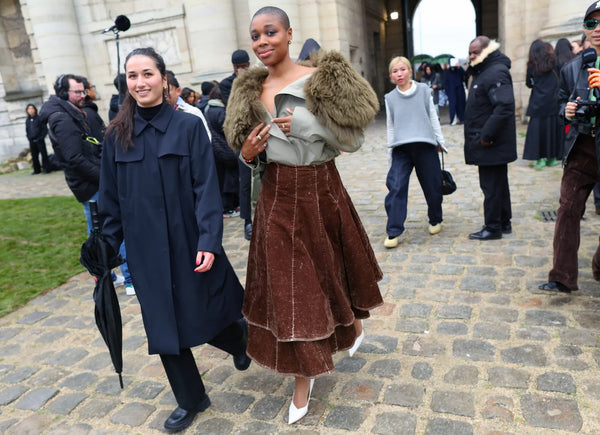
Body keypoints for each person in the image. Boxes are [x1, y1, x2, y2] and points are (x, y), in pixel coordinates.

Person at [223, 6, 384, 425]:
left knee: (329, 273)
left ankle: (347, 326)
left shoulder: (322, 80)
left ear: (289, 33)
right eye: (255, 35)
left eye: (270, 32)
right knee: (291, 288)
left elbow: (354, 140)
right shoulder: (245, 92)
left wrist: (307, 124)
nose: (262, 42)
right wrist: (247, 154)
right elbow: (244, 154)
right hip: (275, 196)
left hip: (320, 190)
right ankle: (303, 374)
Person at [98, 47, 250, 432]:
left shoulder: (188, 126)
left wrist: (209, 240)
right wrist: (103, 252)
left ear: (164, 78)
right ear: (126, 84)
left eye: (147, 74)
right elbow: (111, 200)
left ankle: (240, 339)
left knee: (205, 311)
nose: (140, 82)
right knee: (163, 326)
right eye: (132, 76)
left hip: (189, 241)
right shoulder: (116, 137)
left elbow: (206, 188)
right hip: (146, 251)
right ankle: (191, 398)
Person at [39, 74, 133, 293]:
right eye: (77, 92)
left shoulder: (70, 112)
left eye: (83, 91)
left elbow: (85, 149)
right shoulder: (61, 118)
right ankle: (129, 280)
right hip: (90, 186)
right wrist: (105, 178)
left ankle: (105, 277)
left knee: (99, 233)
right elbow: (74, 159)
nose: (83, 95)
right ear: (64, 93)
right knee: (111, 230)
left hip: (90, 183)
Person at [539, 2, 600, 294]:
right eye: (591, 23)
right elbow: (561, 100)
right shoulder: (575, 66)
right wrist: (568, 109)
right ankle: (562, 276)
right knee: (567, 209)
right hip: (582, 145)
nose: (597, 29)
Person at [383, 56, 446, 248]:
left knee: (433, 186)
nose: (399, 74)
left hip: (425, 144)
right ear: (391, 75)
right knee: (396, 187)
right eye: (395, 71)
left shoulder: (424, 90)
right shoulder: (390, 98)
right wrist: (389, 153)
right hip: (401, 148)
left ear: (410, 71)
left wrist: (440, 141)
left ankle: (435, 219)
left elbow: (432, 115)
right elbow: (390, 126)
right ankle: (393, 231)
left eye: (402, 69)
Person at [464, 36, 517, 241]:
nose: (471, 56)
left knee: (492, 186)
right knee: (498, 184)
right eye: (470, 52)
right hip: (489, 141)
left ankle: (493, 227)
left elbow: (504, 106)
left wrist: (486, 136)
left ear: (487, 50)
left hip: (491, 142)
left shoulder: (495, 71)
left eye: (475, 52)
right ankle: (503, 222)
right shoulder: (484, 70)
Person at [523, 40, 563, 168]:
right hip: (552, 101)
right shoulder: (553, 62)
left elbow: (529, 84)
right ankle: (551, 157)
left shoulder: (532, 66)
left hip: (538, 103)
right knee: (551, 131)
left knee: (537, 132)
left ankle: (539, 159)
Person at [204, 81, 240, 218]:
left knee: (224, 181)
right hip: (225, 151)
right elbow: (226, 131)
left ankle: (228, 207)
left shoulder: (209, 109)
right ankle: (228, 208)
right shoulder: (220, 111)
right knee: (229, 182)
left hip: (217, 150)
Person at [25, 104, 50, 174]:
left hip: (40, 140)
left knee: (44, 155)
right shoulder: (27, 120)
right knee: (34, 156)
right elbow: (27, 130)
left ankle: (46, 169)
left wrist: (41, 137)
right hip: (32, 141)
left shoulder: (39, 118)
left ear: (35, 110)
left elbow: (45, 129)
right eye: (29, 109)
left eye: (32, 108)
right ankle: (37, 170)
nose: (30, 110)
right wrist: (28, 137)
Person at [444, 57, 467, 126]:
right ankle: (453, 119)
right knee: (452, 105)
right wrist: (447, 92)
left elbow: (465, 75)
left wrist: (459, 67)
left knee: (461, 104)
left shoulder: (459, 70)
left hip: (459, 90)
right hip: (451, 91)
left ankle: (462, 119)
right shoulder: (447, 72)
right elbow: (445, 82)